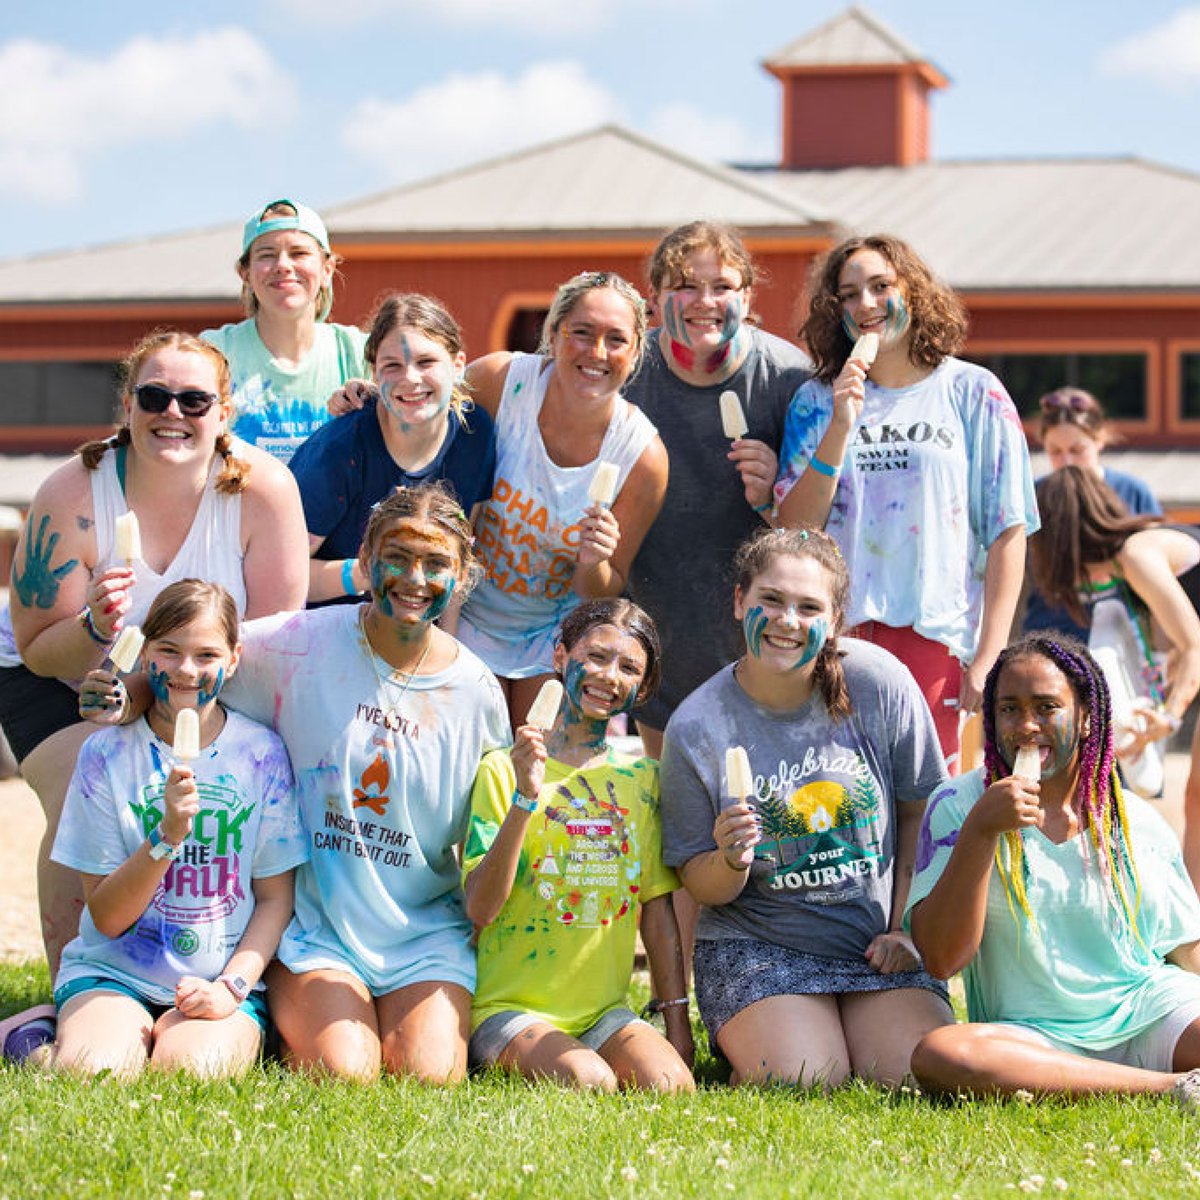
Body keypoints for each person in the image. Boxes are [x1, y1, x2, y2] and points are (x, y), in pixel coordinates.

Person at [0, 331, 308, 975]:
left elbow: (271, 643)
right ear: (128, 405)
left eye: (194, 400)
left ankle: (207, 969)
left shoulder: (263, 492)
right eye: (154, 396)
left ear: (224, 412)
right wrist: (94, 625)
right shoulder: (74, 494)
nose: (173, 413)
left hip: (199, 682)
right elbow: (38, 649)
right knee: (86, 784)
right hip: (62, 679)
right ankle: (75, 978)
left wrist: (144, 694)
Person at [220, 482, 510, 1083]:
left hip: (424, 933)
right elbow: (196, 653)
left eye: (436, 563)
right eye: (397, 558)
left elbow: (484, 840)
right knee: (345, 1071)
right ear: (367, 558)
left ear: (463, 574)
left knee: (430, 1077)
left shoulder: (478, 693)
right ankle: (288, 1016)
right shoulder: (298, 644)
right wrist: (125, 692)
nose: (415, 579)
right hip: (315, 929)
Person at [660, 527, 952, 1087]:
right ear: (739, 601)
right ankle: (768, 1034)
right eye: (770, 599)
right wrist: (730, 859)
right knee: (808, 1078)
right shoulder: (697, 726)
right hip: (758, 946)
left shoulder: (878, 683)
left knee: (915, 1076)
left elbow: (922, 814)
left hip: (873, 947)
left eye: (809, 607)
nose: (787, 621)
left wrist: (905, 929)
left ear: (835, 619)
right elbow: (699, 884)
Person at [775, 233, 1038, 767]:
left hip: (936, 636)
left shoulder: (974, 392)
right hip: (834, 636)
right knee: (839, 798)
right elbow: (794, 531)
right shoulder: (816, 401)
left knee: (930, 798)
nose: (865, 304)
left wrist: (989, 655)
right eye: (849, 294)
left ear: (913, 292)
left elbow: (1008, 531)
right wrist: (840, 425)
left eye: (881, 286)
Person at [907, 633, 1200, 1104]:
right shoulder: (959, 806)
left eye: (1046, 707)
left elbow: (1185, 950)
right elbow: (942, 959)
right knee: (944, 1054)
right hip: (1033, 1039)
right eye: (1009, 709)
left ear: (1085, 718)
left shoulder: (1134, 819)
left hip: (1146, 1014)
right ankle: (1172, 1087)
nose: (1026, 725)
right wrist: (981, 831)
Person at [40, 581, 305, 1078]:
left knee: (188, 1074)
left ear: (233, 659)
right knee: (95, 1072)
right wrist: (166, 838)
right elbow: (107, 918)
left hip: (217, 979)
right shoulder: (105, 756)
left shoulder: (262, 756)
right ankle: (33, 1037)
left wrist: (231, 987)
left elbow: (275, 898)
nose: (186, 670)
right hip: (114, 973)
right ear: (144, 654)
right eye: (169, 650)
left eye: (207, 655)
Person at [463, 598, 694, 1092]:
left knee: (670, 1083)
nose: (609, 676)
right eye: (596, 657)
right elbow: (480, 908)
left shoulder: (643, 780)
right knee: (587, 1079)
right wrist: (526, 797)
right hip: (508, 1008)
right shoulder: (502, 769)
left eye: (628, 668)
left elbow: (657, 912)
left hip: (603, 1013)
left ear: (643, 688)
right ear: (561, 657)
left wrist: (678, 1023)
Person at [622, 221, 813, 757]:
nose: (704, 301)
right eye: (684, 285)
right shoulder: (627, 373)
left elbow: (818, 529)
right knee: (673, 800)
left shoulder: (789, 380)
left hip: (762, 649)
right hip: (658, 642)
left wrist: (776, 493)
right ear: (655, 298)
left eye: (722, 287)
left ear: (747, 298)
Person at [456, 271, 668, 724]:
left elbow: (601, 591)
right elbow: (421, 420)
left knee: (535, 757)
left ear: (635, 352)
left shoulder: (643, 457)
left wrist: (595, 561)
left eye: (616, 339)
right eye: (582, 333)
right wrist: (370, 399)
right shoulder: (498, 382)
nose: (597, 353)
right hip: (462, 615)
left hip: (553, 636)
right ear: (553, 334)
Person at [1029, 466, 1200, 881]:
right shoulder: (1131, 570)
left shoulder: (1138, 556)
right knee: (1195, 798)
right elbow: (1173, 652)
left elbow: (1194, 647)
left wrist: (1169, 718)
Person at [289, 293, 495, 605]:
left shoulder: (474, 434)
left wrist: (445, 636)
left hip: (419, 623)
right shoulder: (339, 449)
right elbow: (282, 574)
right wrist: (371, 571)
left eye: (426, 362)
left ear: (457, 365)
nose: (410, 378)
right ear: (374, 373)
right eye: (392, 365)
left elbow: (457, 563)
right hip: (332, 622)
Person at [203, 198, 368, 463]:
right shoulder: (214, 353)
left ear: (327, 270)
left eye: (299, 253)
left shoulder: (358, 352)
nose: (283, 265)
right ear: (245, 273)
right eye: (267, 255)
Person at [1024, 386, 1161, 641]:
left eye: (1077, 450)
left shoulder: (1132, 490)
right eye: (1055, 451)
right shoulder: (1034, 494)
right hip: (1048, 634)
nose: (1067, 462)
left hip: (1121, 637)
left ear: (1100, 440)